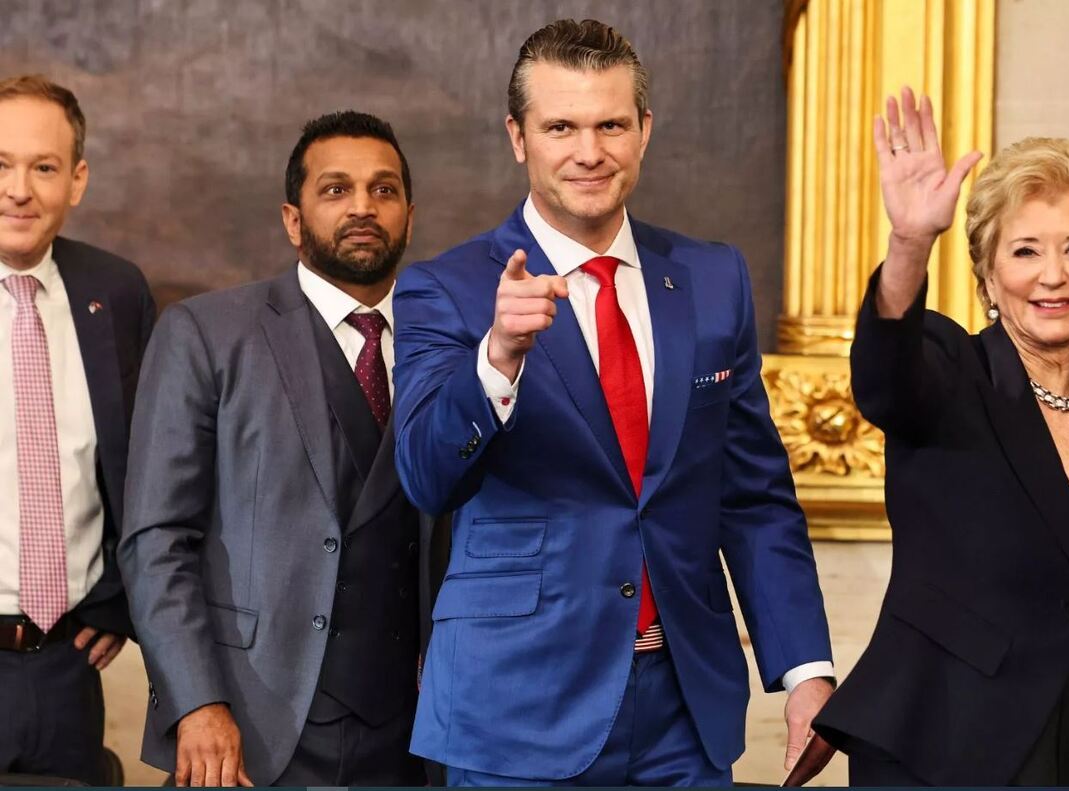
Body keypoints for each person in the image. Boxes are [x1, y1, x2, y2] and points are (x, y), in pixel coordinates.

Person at [392, 18, 834, 787]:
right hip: (516, 709)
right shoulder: (447, 287)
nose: (589, 151)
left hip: (686, 713)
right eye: (561, 126)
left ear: (644, 131)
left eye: (611, 125)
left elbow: (753, 496)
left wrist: (805, 669)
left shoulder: (713, 279)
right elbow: (427, 478)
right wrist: (496, 358)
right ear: (518, 137)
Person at [812, 88, 1069, 785]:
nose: (1053, 275)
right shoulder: (952, 377)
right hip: (948, 755)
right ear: (987, 273)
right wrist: (910, 243)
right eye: (1025, 250)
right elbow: (885, 373)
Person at [120, 111, 428, 787]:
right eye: (336, 189)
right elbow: (156, 539)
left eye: (383, 189)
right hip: (250, 727)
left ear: (409, 216)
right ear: (293, 219)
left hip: (412, 733)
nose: (362, 206)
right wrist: (198, 703)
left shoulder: (449, 340)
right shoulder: (206, 333)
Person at [0, 74, 154, 785]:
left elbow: (151, 467)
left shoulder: (115, 295)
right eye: (1, 164)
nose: (18, 190)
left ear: (77, 180)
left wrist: (121, 592)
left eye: (43, 167)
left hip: (66, 671)